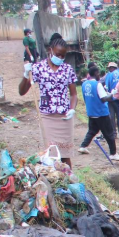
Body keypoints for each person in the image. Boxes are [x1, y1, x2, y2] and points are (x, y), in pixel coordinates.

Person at [18, 34, 78, 168]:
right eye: (58, 54)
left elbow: (74, 94)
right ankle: (54, 180)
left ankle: (68, 182)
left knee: (65, 155)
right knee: (51, 155)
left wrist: (72, 109)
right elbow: (22, 91)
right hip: (47, 116)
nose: (61, 58)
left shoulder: (67, 69)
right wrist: (25, 75)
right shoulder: (39, 68)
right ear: (50, 50)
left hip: (64, 117)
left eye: (63, 56)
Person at [75, 66, 119, 161]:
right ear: (96, 73)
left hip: (91, 112)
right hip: (101, 113)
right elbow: (104, 99)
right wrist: (112, 94)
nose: (99, 75)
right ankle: (113, 153)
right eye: (98, 73)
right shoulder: (97, 84)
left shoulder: (84, 84)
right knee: (109, 133)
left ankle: (83, 146)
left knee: (92, 130)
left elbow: (85, 97)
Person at [104, 60, 119, 142]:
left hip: (111, 97)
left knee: (112, 116)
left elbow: (107, 87)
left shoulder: (109, 75)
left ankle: (113, 134)